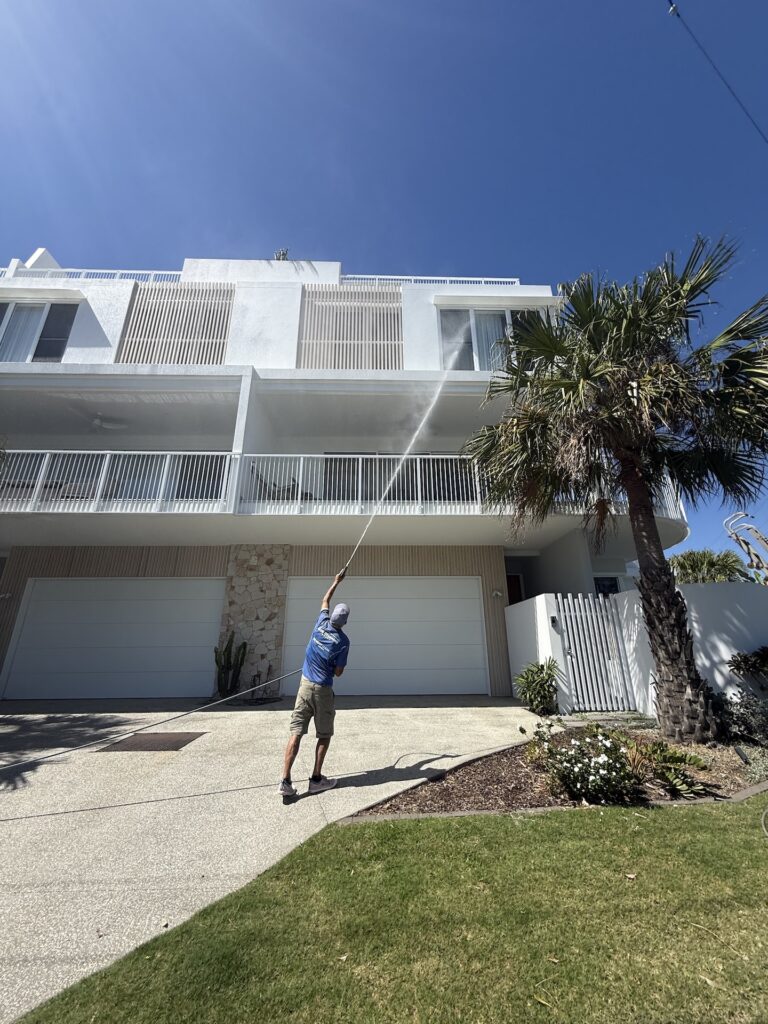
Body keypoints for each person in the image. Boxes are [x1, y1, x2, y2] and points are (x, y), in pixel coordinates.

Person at [279, 572, 350, 798]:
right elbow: (338, 673)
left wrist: (337, 581)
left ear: (331, 617)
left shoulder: (320, 622)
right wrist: (333, 666)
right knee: (324, 734)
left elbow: (324, 600)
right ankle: (316, 779)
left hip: (304, 685)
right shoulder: (343, 641)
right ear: (345, 622)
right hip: (322, 690)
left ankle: (285, 781)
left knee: (296, 732)